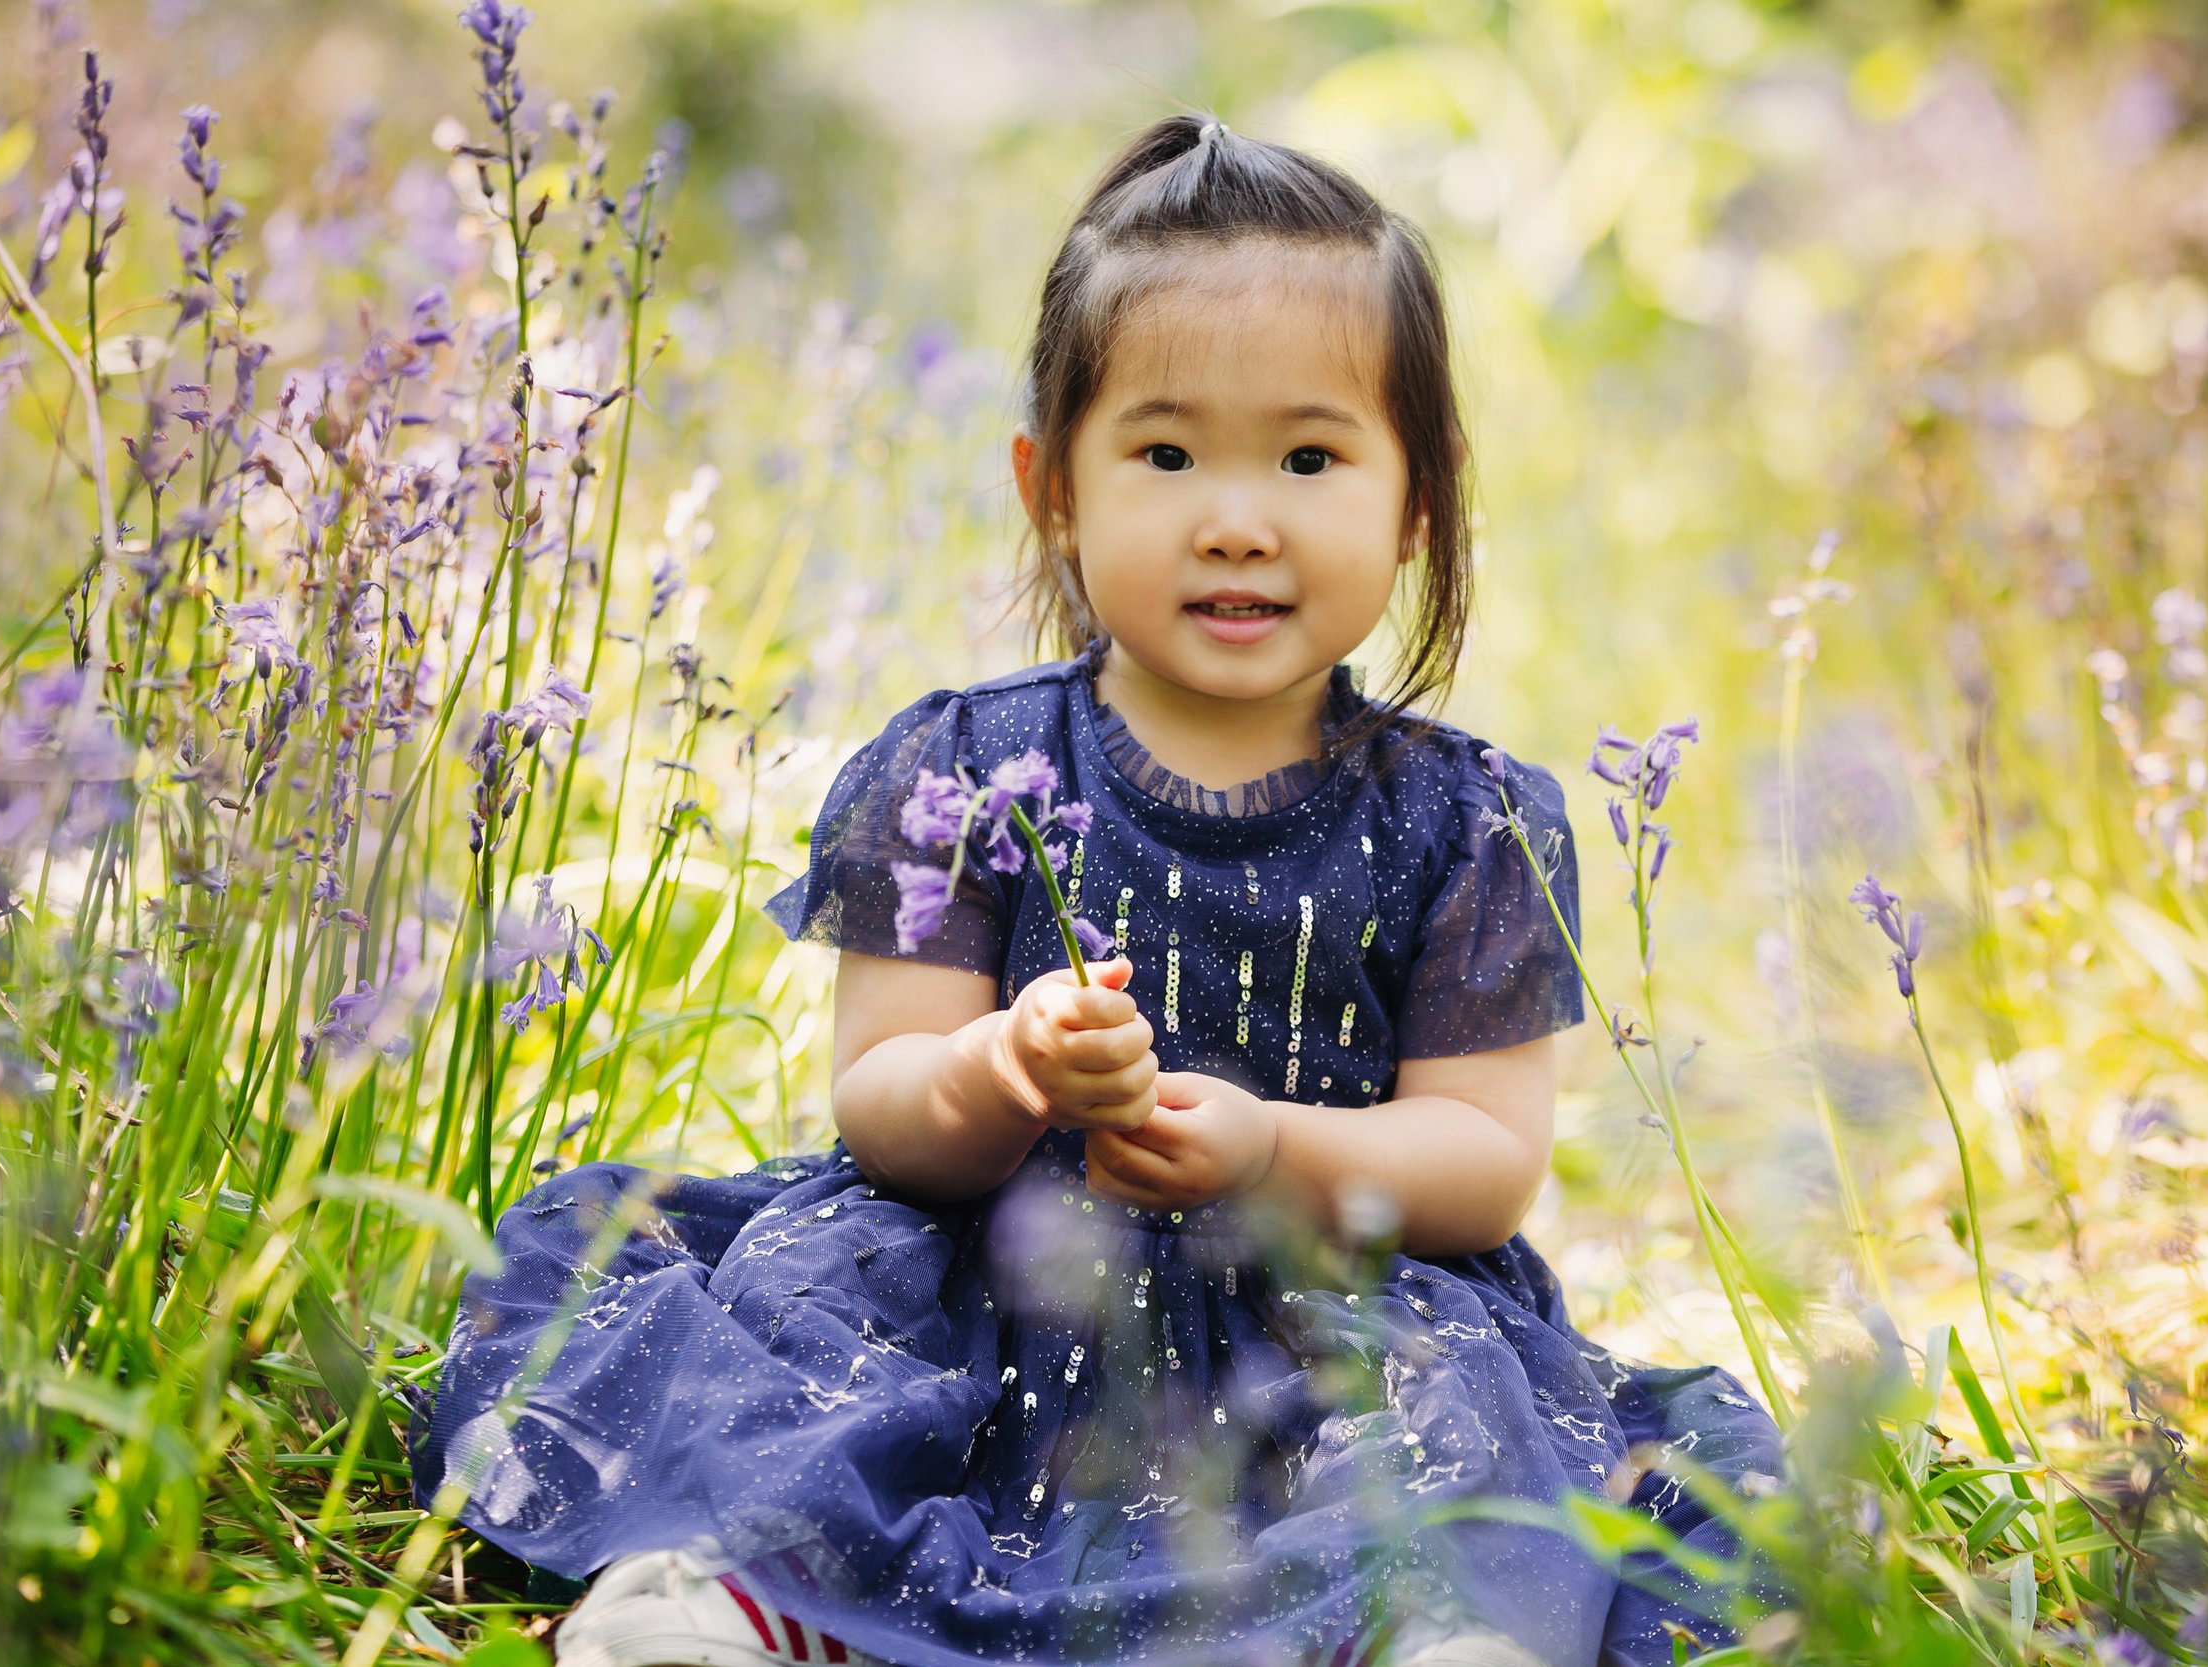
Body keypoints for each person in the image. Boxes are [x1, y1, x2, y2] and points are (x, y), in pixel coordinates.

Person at [411, 112, 1781, 1667]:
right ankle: (762, 1599)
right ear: (1052, 485)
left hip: (1321, 1321)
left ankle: (1402, 1628)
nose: (1237, 516)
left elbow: (1481, 1162)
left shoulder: (1466, 822)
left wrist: (1270, 1147)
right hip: (981, 1296)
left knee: (1437, 1451)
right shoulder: (961, 770)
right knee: (814, 1389)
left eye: (1312, 455)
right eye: (1168, 451)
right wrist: (1002, 1069)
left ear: (1418, 499)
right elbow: (879, 1095)